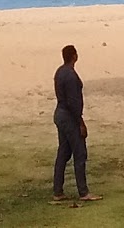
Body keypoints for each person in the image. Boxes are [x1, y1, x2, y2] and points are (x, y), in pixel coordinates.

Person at [52, 45, 100, 203]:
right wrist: (80, 122)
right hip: (69, 117)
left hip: (60, 114)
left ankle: (57, 191)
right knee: (79, 153)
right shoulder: (71, 76)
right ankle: (83, 192)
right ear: (74, 56)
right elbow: (73, 103)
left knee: (63, 153)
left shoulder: (59, 72)